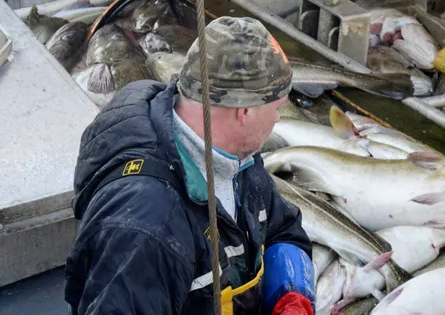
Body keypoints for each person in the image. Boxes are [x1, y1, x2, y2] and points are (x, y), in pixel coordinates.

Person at [65, 16, 315, 315]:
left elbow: (282, 228)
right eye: (276, 108)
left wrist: (292, 296)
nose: (277, 120)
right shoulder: (146, 228)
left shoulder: (238, 162)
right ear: (244, 110)